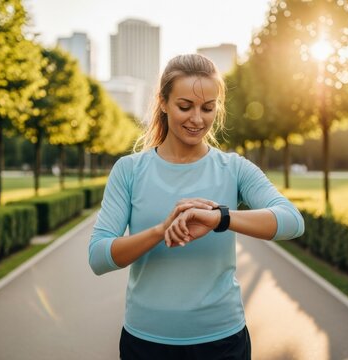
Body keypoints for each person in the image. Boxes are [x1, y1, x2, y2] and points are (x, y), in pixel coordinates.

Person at [89, 54, 304, 360]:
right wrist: (161, 230)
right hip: (146, 342)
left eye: (208, 107)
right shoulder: (130, 170)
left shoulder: (233, 168)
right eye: (185, 106)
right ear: (163, 102)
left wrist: (221, 218)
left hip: (223, 342)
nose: (197, 119)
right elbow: (99, 257)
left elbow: (292, 221)